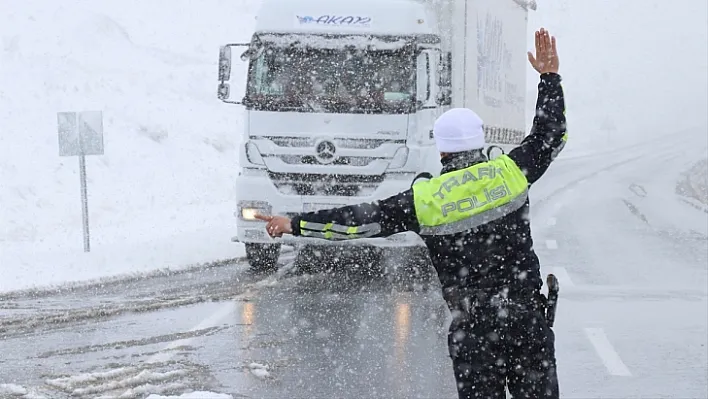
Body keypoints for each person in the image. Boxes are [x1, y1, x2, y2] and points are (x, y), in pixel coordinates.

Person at [255, 27, 567, 399]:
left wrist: (295, 223)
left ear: (443, 152)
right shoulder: (511, 173)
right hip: (526, 320)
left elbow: (357, 222)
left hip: (475, 331)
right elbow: (551, 133)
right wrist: (549, 78)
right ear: (481, 144)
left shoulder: (425, 199)